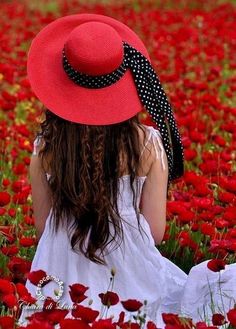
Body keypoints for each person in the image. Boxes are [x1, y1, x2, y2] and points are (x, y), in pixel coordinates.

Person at [18, 13, 236, 328]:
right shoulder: (147, 144)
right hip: (133, 273)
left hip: (59, 276)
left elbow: (43, 231)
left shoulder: (45, 149)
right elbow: (156, 232)